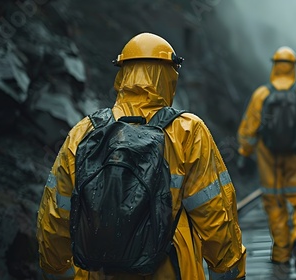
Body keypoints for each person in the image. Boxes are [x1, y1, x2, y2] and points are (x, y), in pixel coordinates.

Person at [36, 32, 246, 280]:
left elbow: (56, 212)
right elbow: (215, 214)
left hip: (99, 270)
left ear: (122, 73)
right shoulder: (188, 131)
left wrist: (56, 268)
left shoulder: (85, 132)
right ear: (170, 74)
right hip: (169, 269)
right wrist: (229, 270)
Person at [236, 46, 296, 275]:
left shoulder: (262, 95)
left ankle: (280, 255)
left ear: (275, 65)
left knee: (275, 206)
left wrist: (244, 154)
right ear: (293, 66)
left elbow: (248, 130)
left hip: (269, 159)